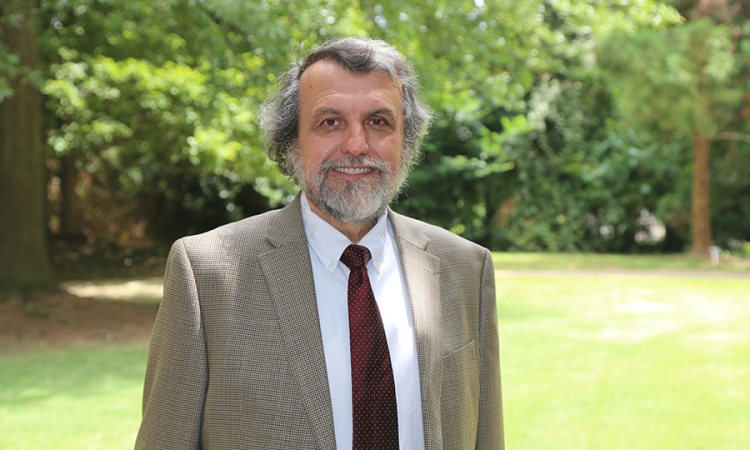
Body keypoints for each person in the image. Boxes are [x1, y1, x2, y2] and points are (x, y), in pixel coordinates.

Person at [135, 37, 504, 450]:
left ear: (407, 140)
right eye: (330, 122)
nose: (356, 145)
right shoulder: (206, 273)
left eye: (379, 122)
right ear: (292, 141)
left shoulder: (466, 269)